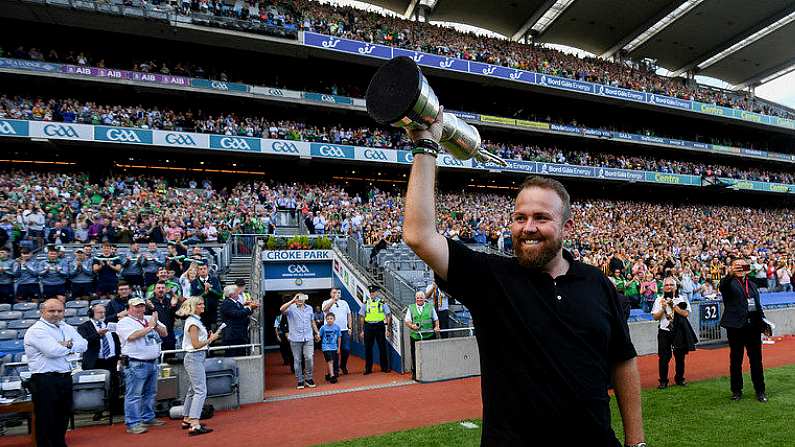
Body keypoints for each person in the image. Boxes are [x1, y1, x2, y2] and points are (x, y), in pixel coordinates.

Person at [401, 110, 644, 446]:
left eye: (541, 218)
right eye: (520, 217)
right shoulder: (491, 278)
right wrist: (426, 145)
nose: (528, 227)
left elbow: (623, 360)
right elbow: (419, 235)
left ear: (566, 227)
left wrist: (636, 441)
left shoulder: (596, 283)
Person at [23, 298, 88, 447]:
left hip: (65, 377)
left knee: (63, 417)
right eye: (51, 311)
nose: (56, 314)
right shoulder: (36, 330)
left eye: (60, 311)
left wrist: (65, 345)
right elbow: (53, 351)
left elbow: (84, 344)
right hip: (45, 380)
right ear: (42, 312)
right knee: (46, 420)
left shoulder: (65, 326)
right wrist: (69, 346)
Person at [719, 257, 768, 403]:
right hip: (736, 327)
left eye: (742, 266)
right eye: (736, 266)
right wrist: (730, 274)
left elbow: (757, 305)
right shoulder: (728, 283)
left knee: (756, 361)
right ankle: (736, 391)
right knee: (736, 360)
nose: (740, 268)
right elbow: (722, 286)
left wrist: (764, 323)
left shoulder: (752, 284)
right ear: (732, 268)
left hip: (753, 326)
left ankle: (760, 390)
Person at [117, 297, 168, 434]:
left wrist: (155, 324)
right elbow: (132, 336)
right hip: (135, 362)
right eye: (136, 306)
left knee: (150, 393)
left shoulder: (148, 318)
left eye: (141, 306)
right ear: (129, 309)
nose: (139, 309)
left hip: (152, 361)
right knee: (134, 395)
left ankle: (148, 417)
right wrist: (151, 326)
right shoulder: (124, 322)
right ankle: (133, 423)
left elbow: (164, 333)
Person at [176, 297, 218, 436]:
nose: (203, 306)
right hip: (194, 356)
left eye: (202, 303)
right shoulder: (193, 322)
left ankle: (187, 419)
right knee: (200, 391)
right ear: (193, 307)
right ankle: (194, 424)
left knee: (193, 390)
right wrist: (210, 339)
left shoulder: (194, 321)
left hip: (195, 357)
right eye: (200, 304)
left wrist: (207, 339)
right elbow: (196, 345)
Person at [77, 303, 122, 419]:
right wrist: (97, 334)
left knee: (113, 384)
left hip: (111, 359)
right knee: (98, 386)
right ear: (92, 313)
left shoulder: (109, 325)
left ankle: (113, 409)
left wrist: (118, 355)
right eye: (99, 312)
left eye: (103, 312)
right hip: (95, 361)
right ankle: (98, 410)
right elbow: (84, 342)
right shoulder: (84, 327)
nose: (102, 315)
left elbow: (116, 340)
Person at [651, 278, 693, 389]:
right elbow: (655, 317)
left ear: (675, 286)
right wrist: (663, 308)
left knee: (680, 356)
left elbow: (685, 314)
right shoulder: (659, 300)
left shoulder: (682, 298)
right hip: (664, 330)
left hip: (679, 330)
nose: (669, 287)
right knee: (664, 357)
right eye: (667, 285)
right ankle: (663, 381)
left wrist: (674, 305)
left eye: (671, 285)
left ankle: (680, 379)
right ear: (663, 287)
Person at [280, 293, 320, 389]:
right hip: (295, 338)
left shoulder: (309, 308)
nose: (300, 299)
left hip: (308, 337)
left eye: (302, 297)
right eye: (298, 297)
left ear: (305, 299)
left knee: (309, 357)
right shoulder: (291, 308)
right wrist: (293, 300)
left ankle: (309, 378)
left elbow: (312, 321)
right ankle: (300, 380)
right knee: (297, 360)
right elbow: (281, 309)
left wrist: (317, 332)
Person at [404, 290, 440, 380]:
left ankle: (431, 373)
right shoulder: (411, 307)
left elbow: (436, 319)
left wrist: (437, 326)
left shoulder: (430, 306)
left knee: (430, 355)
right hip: (415, 336)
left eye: (421, 298)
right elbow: (407, 321)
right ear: (415, 298)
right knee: (415, 355)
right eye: (417, 298)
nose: (419, 299)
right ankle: (416, 374)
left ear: (424, 298)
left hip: (429, 335)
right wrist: (412, 325)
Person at [358, 285, 392, 375]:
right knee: (368, 348)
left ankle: (384, 367)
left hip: (380, 326)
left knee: (382, 347)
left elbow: (388, 315)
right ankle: (368, 368)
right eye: (371, 292)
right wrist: (362, 330)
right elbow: (361, 317)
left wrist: (388, 329)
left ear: (377, 293)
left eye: (373, 292)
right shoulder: (366, 303)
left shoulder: (382, 302)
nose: (372, 294)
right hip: (368, 326)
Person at [219, 283, 258, 357]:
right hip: (232, 336)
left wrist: (250, 307)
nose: (239, 293)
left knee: (241, 356)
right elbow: (237, 314)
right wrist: (249, 307)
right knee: (233, 357)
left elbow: (244, 313)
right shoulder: (226, 303)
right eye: (237, 292)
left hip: (240, 335)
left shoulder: (238, 303)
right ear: (231, 294)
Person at [321, 288, 352, 375]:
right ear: (331, 294)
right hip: (331, 331)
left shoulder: (344, 303)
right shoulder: (326, 302)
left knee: (346, 349)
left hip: (344, 330)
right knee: (334, 351)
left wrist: (350, 327)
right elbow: (325, 310)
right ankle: (335, 370)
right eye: (334, 292)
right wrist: (333, 301)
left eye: (338, 293)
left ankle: (343, 365)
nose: (337, 294)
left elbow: (349, 315)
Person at [147, 280, 181, 354]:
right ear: (154, 290)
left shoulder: (170, 301)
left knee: (171, 358)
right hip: (156, 335)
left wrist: (173, 306)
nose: (161, 290)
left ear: (165, 290)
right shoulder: (149, 302)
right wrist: (152, 309)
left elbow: (178, 315)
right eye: (158, 288)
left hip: (170, 333)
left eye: (163, 288)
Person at [190, 263, 222, 330]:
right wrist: (204, 293)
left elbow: (220, 295)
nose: (203, 270)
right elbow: (193, 298)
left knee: (213, 331)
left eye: (204, 269)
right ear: (198, 271)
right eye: (200, 269)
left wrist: (210, 289)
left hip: (213, 311)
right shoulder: (194, 282)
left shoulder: (214, 280)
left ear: (207, 269)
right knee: (203, 333)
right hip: (200, 313)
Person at [318, 312, 341, 383]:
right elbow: (319, 336)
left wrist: (339, 348)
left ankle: (328, 374)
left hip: (334, 347)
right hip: (326, 347)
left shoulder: (337, 327)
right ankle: (332, 376)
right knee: (330, 361)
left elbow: (339, 338)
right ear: (325, 320)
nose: (329, 320)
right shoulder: (323, 328)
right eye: (327, 319)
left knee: (331, 361)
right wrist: (317, 338)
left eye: (331, 319)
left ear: (334, 319)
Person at [274, 299, 293, 372]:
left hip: (289, 335)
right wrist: (277, 336)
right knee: (283, 348)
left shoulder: (290, 316)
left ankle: (289, 360)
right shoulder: (278, 317)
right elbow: (276, 327)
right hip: (281, 335)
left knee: (289, 349)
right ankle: (285, 360)